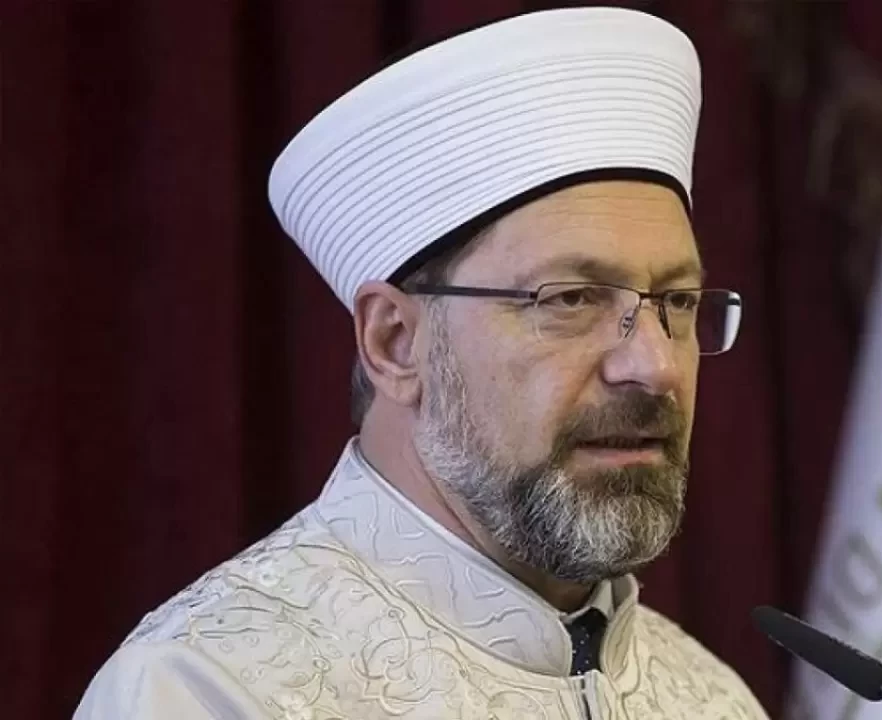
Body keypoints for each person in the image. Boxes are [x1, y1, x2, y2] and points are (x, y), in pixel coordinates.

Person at [73, 6, 768, 719]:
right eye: (571, 299)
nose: (654, 365)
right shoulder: (204, 689)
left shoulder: (713, 699)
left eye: (678, 302)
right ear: (395, 343)